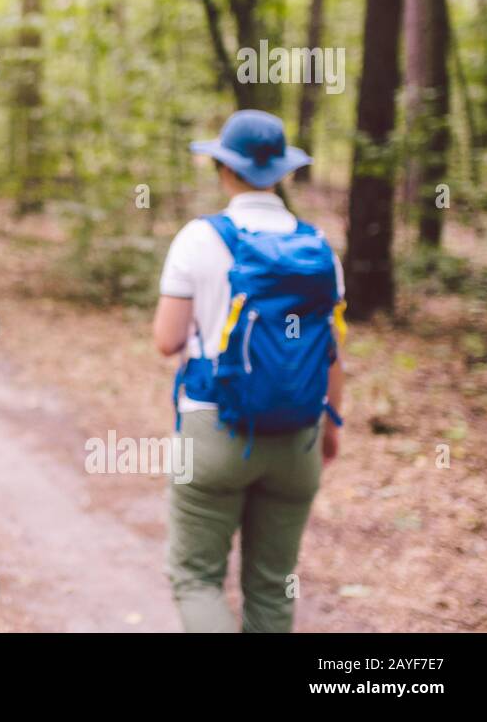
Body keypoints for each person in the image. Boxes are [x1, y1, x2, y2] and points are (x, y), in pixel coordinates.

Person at [152, 110, 345, 633]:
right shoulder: (318, 246)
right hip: (298, 438)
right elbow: (330, 350)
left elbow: (167, 339)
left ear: (224, 169)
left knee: (196, 577)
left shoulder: (198, 238)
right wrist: (330, 426)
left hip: (214, 429)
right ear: (281, 172)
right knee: (273, 583)